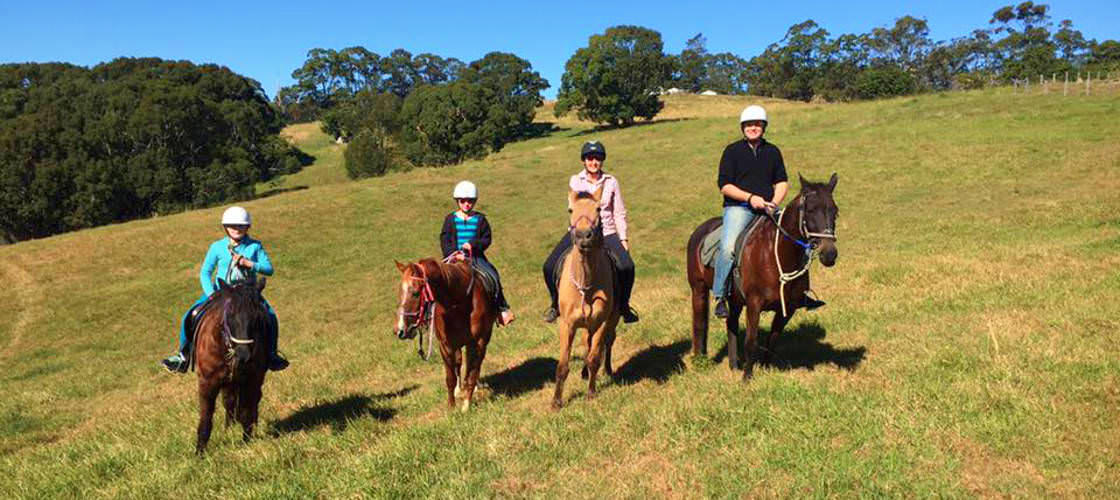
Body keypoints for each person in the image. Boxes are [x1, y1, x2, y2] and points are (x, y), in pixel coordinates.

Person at [713, 105, 825, 318]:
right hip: (739, 208)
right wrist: (750, 198)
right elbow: (724, 185)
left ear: (764, 127)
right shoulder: (732, 151)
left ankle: (802, 292)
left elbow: (781, 181)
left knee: (802, 241)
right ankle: (721, 296)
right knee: (728, 248)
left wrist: (773, 202)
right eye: (748, 124)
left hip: (768, 207)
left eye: (757, 124)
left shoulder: (772, 151)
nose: (753, 128)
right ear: (742, 127)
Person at [160, 206, 288, 373]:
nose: (236, 229)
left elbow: (268, 269)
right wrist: (211, 295)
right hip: (221, 291)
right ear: (225, 227)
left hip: (248, 293)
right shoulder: (217, 247)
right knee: (190, 314)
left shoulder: (255, 246)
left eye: (241, 226)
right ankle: (183, 356)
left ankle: (271, 355)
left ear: (247, 227)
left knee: (270, 315)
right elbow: (205, 273)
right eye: (232, 226)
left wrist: (250, 264)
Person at [542, 141, 639, 324]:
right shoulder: (575, 181)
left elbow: (619, 211)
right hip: (579, 234)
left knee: (627, 266)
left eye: (598, 158)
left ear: (602, 161)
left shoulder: (611, 182)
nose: (594, 162)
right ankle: (555, 305)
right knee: (548, 266)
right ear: (584, 161)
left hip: (607, 233)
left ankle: (624, 307)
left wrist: (623, 238)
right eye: (590, 158)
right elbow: (573, 208)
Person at [441, 181, 515, 326]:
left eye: (470, 201)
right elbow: (445, 239)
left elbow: (487, 239)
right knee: (436, 279)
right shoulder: (450, 219)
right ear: (458, 201)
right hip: (453, 257)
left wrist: (473, 245)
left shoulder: (481, 219)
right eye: (463, 201)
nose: (466, 204)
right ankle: (429, 314)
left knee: (492, 274)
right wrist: (453, 253)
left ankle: (501, 308)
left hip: (475, 257)